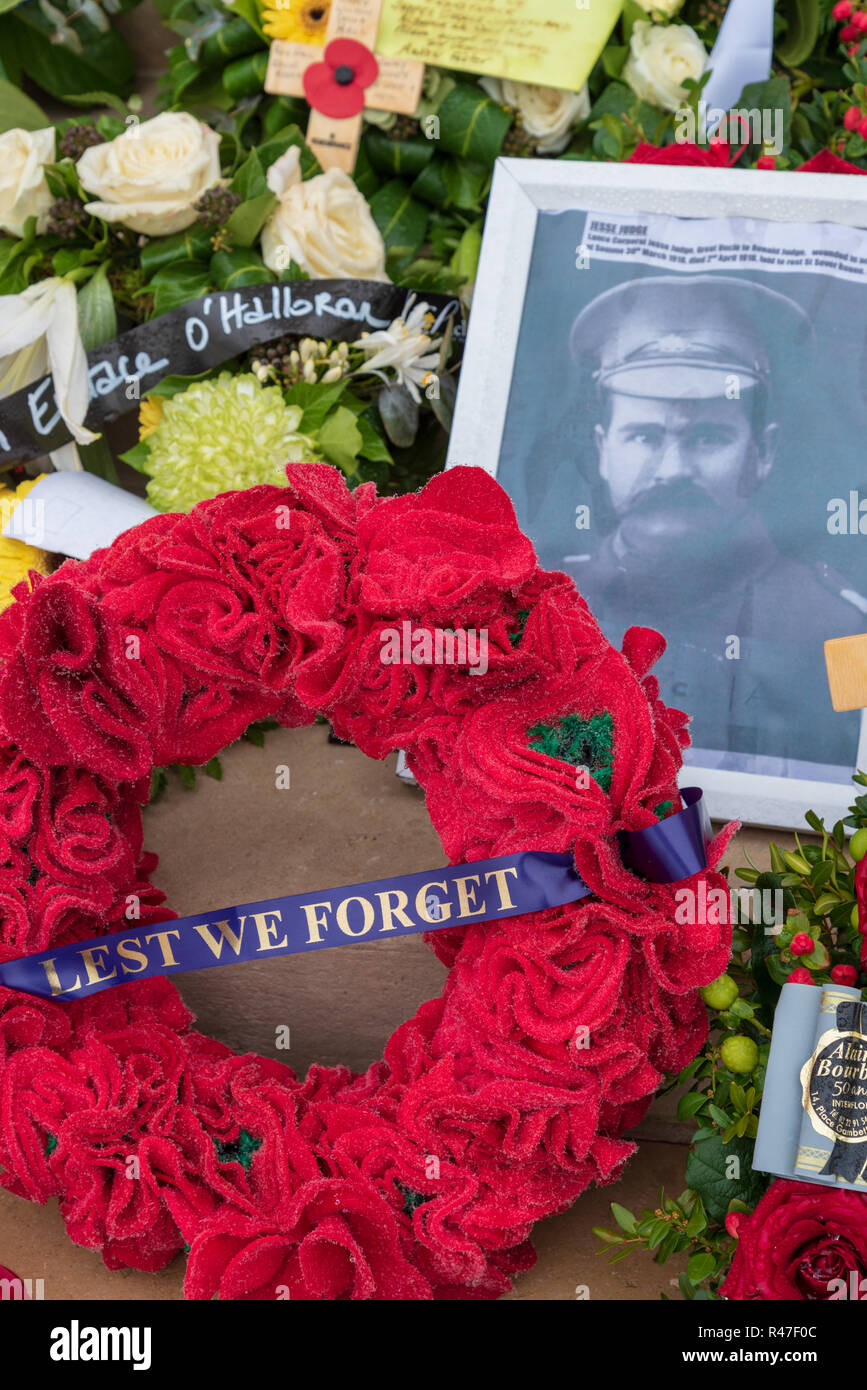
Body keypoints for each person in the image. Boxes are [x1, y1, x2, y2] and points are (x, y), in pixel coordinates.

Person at [564, 274, 864, 771]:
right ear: (602, 451)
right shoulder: (545, 603)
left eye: (707, 438)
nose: (672, 470)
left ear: (762, 452)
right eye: (643, 437)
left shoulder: (843, 630)